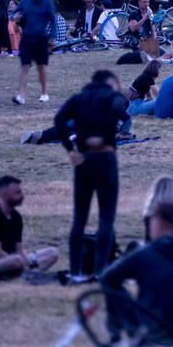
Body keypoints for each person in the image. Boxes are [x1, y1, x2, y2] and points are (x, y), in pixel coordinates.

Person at [101, 200, 173, 344]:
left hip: (154, 338)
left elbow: (107, 277)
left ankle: (121, 335)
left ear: (159, 222)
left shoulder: (147, 254)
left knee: (112, 285)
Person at [55, 70, 127, 280]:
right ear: (111, 82)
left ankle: (75, 271)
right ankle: (100, 272)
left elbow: (59, 119)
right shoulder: (113, 96)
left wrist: (70, 149)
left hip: (83, 159)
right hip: (105, 158)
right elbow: (118, 110)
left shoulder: (78, 99)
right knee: (106, 218)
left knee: (79, 218)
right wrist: (103, 136)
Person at [0, 175, 59, 277]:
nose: (22, 195)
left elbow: (19, 251)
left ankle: (28, 274)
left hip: (11, 260)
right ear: (5, 195)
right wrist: (20, 264)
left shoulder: (16, 217)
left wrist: (27, 265)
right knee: (16, 260)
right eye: (17, 193)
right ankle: (27, 274)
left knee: (52, 253)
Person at [12, 0, 54, 105]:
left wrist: (53, 36)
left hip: (41, 39)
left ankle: (44, 93)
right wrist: (14, 17)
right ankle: (21, 96)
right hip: (26, 38)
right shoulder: (25, 1)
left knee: (40, 67)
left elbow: (53, 20)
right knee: (24, 66)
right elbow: (13, 13)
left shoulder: (47, 2)